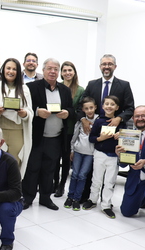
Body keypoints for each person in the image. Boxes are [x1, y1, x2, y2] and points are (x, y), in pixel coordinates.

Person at [78, 54, 135, 203]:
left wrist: (119, 118)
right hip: (95, 128)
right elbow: (81, 105)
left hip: (115, 131)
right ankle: (88, 197)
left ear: (115, 66)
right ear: (100, 67)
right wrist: (83, 119)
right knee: (93, 169)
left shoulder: (124, 85)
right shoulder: (92, 84)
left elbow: (130, 108)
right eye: (104, 64)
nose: (106, 67)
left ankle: (106, 202)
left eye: (110, 64)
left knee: (110, 172)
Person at [22, 58, 74, 211]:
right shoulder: (31, 87)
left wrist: (67, 113)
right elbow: (25, 107)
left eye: (56, 69)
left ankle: (45, 198)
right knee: (32, 168)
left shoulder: (64, 90)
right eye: (50, 68)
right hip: (37, 136)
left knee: (50, 169)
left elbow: (71, 109)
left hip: (55, 138)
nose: (53, 71)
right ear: (43, 70)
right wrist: (37, 112)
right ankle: (28, 198)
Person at [0, 58, 33, 177]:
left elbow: (29, 111)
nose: (11, 71)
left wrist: (24, 114)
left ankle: (13, 193)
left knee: (15, 163)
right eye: (8, 68)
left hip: (17, 132)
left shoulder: (24, 89)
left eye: (14, 69)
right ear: (3, 70)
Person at [83, 95, 125, 218]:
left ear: (117, 107)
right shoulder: (99, 121)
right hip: (99, 154)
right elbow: (91, 138)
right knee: (96, 179)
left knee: (110, 181)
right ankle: (92, 199)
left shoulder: (120, 124)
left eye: (112, 104)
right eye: (107, 104)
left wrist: (120, 135)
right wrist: (100, 138)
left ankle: (106, 204)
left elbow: (127, 139)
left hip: (113, 157)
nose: (109, 106)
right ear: (102, 106)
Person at [54, 61, 85, 197]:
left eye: (70, 70)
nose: (67, 73)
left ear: (74, 72)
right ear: (61, 73)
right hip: (55, 127)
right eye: (64, 70)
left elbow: (80, 110)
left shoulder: (80, 90)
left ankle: (61, 185)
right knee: (54, 157)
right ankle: (54, 183)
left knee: (66, 158)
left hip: (70, 129)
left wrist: (69, 113)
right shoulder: (56, 87)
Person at [64, 97, 98, 211]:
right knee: (74, 174)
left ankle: (77, 199)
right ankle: (70, 197)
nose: (89, 110)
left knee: (82, 175)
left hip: (90, 154)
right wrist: (72, 150)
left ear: (95, 107)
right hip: (78, 151)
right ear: (83, 110)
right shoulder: (80, 121)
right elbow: (74, 137)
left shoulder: (99, 121)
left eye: (91, 108)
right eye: (86, 108)